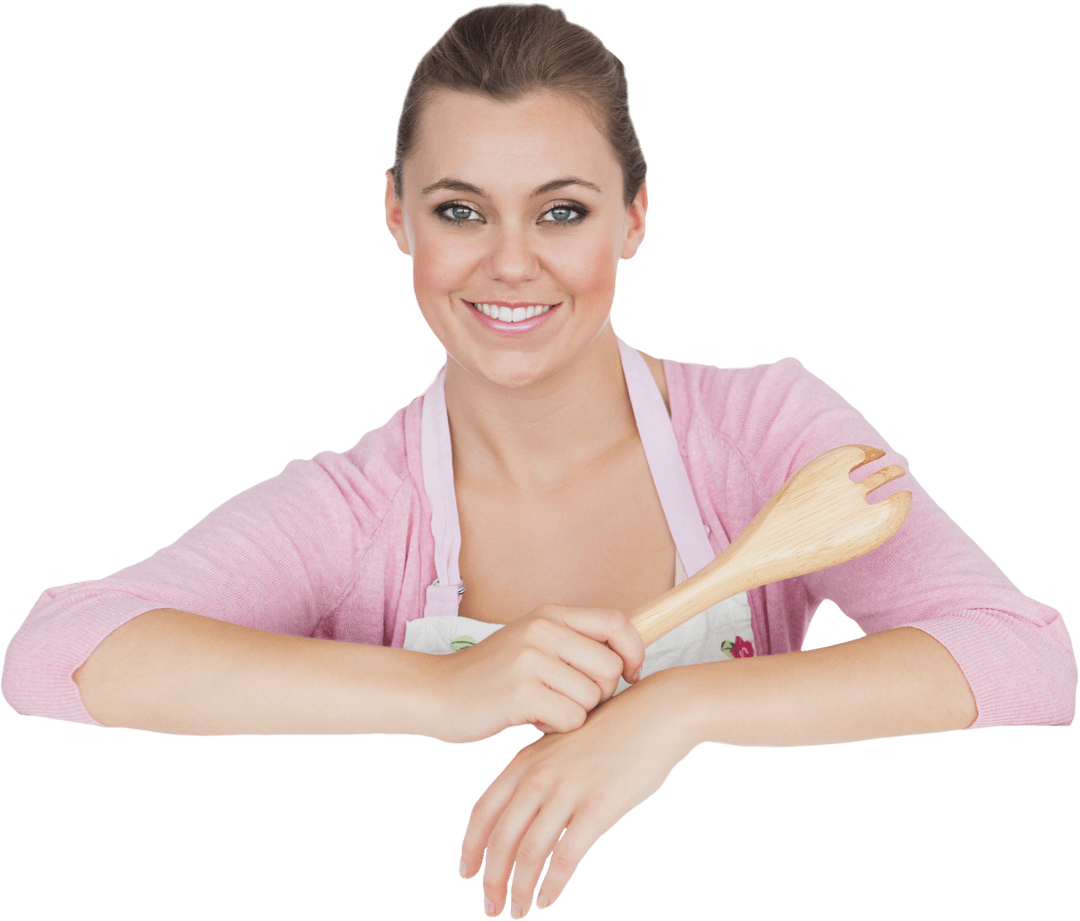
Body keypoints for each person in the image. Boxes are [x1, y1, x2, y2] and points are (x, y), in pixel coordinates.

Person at [1, 2, 1076, 917]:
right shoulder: (356, 509)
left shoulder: (762, 430)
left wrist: (673, 713)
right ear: (396, 217)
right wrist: (442, 689)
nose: (511, 263)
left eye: (563, 210)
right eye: (459, 210)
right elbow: (57, 653)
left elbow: (1027, 660)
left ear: (635, 218)